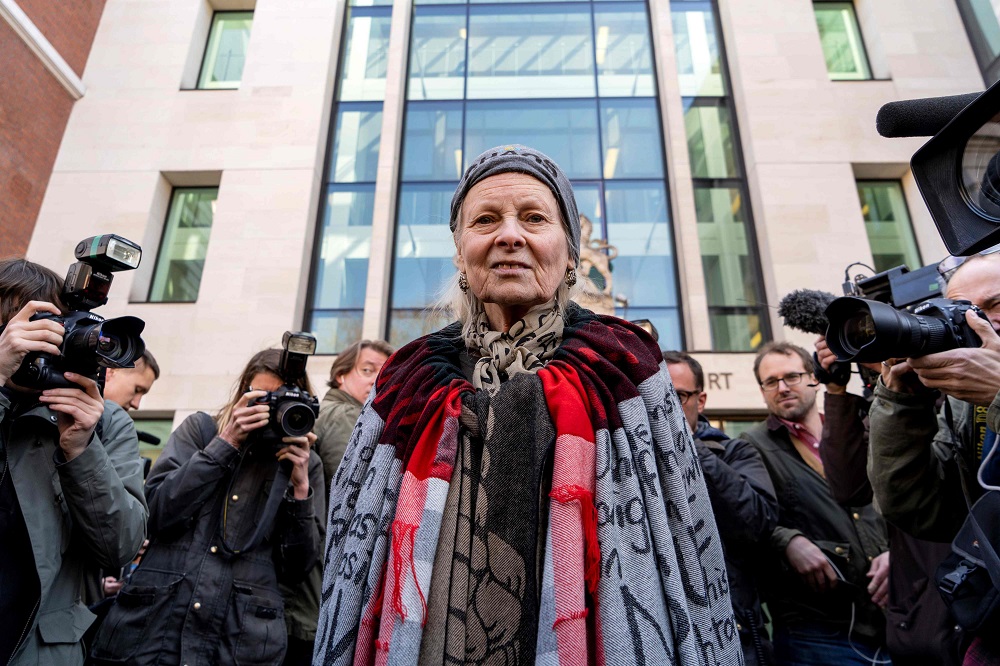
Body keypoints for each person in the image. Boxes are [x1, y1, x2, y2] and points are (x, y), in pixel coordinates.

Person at [313, 145, 742, 666]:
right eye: (486, 220)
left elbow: (687, 546)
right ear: (460, 253)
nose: (509, 235)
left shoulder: (625, 365)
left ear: (569, 252)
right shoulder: (405, 381)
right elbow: (350, 563)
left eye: (534, 218)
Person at [90, 348, 324, 665]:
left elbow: (298, 568)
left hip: (238, 642)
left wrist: (299, 489)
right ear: (242, 393)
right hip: (155, 630)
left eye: (279, 403)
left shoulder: (305, 465)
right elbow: (155, 513)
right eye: (260, 400)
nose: (268, 413)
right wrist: (225, 445)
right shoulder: (202, 432)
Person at [0, 258, 147, 665]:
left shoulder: (102, 421)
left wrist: (81, 451)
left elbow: (121, 547)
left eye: (56, 329)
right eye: (32, 327)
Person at [868, 250, 1000, 661]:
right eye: (962, 312)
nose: (978, 324)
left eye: (996, 306)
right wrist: (901, 403)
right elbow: (918, 507)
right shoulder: (964, 401)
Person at [813, 336, 963, 666]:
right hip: (918, 620)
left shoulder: (957, 381)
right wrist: (837, 390)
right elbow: (849, 488)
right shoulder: (889, 396)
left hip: (969, 610)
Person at [740, 341, 890, 665]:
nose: (782, 388)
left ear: (813, 377)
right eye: (771, 381)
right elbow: (746, 519)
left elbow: (897, 498)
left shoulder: (858, 426)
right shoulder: (751, 446)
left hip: (893, 621)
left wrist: (898, 554)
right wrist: (787, 540)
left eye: (791, 376)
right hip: (814, 630)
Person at [664, 350, 778, 665]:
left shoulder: (732, 452)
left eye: (678, 396)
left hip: (733, 633)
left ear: (700, 401)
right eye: (657, 396)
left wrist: (690, 448)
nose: (666, 407)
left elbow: (758, 523)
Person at [313, 338, 392, 496]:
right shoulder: (346, 414)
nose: (377, 381)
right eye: (367, 370)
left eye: (386, 374)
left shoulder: (326, 409)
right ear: (340, 375)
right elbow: (349, 489)